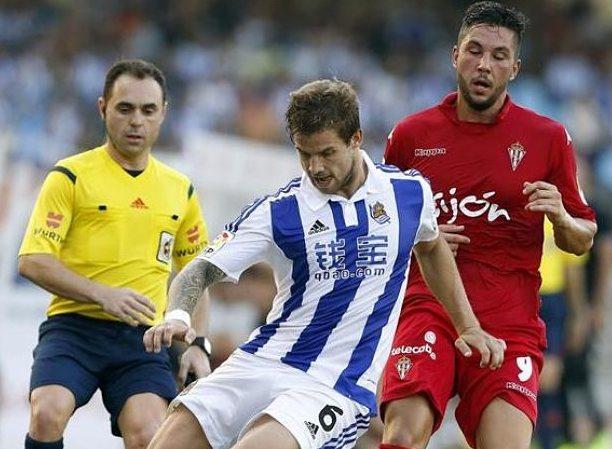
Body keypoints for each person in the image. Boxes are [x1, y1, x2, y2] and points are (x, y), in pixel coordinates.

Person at [142, 78, 506, 449]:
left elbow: (431, 247)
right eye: (304, 153)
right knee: (168, 441)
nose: (315, 167)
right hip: (261, 361)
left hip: (335, 382)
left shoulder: (409, 195)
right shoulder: (279, 212)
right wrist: (179, 317)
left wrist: (468, 326)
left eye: (327, 153)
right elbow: (199, 271)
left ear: (356, 139)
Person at [379, 3, 597, 449]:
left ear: (514, 68)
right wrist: (425, 237)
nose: (484, 65)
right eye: (474, 51)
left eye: (498, 56)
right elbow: (380, 232)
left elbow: (582, 238)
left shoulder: (548, 138)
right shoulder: (410, 136)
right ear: (454, 55)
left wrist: (560, 215)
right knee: (401, 437)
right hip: (430, 308)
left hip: (509, 321)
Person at [18, 59, 211, 449]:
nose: (136, 120)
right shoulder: (70, 175)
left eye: (147, 110)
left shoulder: (180, 189)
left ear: (163, 114)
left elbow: (196, 275)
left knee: (149, 433)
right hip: (74, 328)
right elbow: (32, 260)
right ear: (103, 107)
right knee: (46, 411)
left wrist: (196, 344)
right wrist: (102, 293)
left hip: (144, 339)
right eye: (125, 108)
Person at [536, 219, 588, 449]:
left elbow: (573, 269)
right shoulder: (511, 207)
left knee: (549, 376)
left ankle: (549, 440)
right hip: (519, 297)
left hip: (551, 301)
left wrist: (578, 315)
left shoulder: (559, 215)